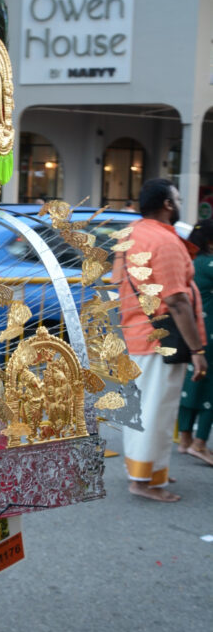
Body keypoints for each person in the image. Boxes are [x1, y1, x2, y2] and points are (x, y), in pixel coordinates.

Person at [113, 179, 207, 502]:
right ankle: (143, 482)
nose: (179, 203)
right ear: (167, 204)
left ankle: (149, 471)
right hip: (161, 340)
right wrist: (197, 349)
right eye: (177, 198)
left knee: (147, 410)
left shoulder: (131, 234)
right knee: (156, 412)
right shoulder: (164, 241)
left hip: (139, 333)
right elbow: (177, 300)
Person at [177, 219, 213, 466]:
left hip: (191, 329)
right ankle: (200, 444)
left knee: (191, 382)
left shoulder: (189, 262)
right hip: (209, 332)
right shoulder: (209, 264)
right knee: (210, 387)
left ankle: (185, 439)